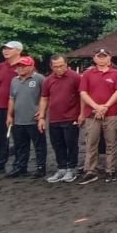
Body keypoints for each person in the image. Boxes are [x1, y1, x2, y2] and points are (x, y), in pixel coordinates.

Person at [77, 49, 117, 184]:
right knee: (91, 142)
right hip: (92, 114)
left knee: (111, 142)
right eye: (99, 56)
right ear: (94, 58)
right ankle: (91, 170)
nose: (102, 59)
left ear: (110, 58)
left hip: (111, 113)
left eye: (105, 56)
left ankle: (111, 170)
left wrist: (105, 106)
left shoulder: (116, 73)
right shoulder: (87, 73)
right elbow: (83, 92)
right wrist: (96, 107)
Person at [38, 54, 81, 183]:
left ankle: (72, 168)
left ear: (66, 64)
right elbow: (44, 98)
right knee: (57, 144)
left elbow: (82, 95)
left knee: (71, 144)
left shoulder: (75, 77)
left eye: (62, 66)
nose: (59, 69)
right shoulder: (48, 80)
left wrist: (81, 114)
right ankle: (61, 168)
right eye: (56, 67)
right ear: (51, 66)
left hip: (71, 117)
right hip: (54, 118)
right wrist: (41, 116)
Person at [6, 57, 46, 178]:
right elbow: (12, 99)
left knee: (39, 145)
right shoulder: (14, 80)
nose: (20, 68)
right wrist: (9, 115)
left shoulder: (39, 78)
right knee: (20, 146)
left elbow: (44, 97)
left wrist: (41, 112)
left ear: (31, 67)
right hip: (18, 119)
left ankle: (40, 168)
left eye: (23, 66)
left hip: (34, 119)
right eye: (18, 66)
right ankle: (21, 167)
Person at [0, 40, 23, 173]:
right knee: (1, 136)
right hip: (0, 106)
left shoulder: (24, 65)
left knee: (18, 137)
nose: (5, 51)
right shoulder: (0, 67)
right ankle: (0, 164)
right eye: (4, 48)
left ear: (18, 51)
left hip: (18, 107)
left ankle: (18, 165)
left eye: (9, 48)